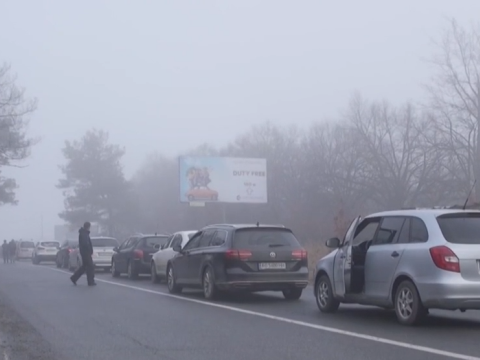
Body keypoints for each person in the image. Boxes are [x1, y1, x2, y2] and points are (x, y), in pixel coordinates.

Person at [70, 222, 96, 286]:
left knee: (84, 267)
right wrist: (89, 250)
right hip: (86, 252)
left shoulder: (84, 233)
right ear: (88, 227)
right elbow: (85, 243)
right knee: (90, 266)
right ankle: (90, 281)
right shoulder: (84, 234)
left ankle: (74, 278)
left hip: (84, 252)